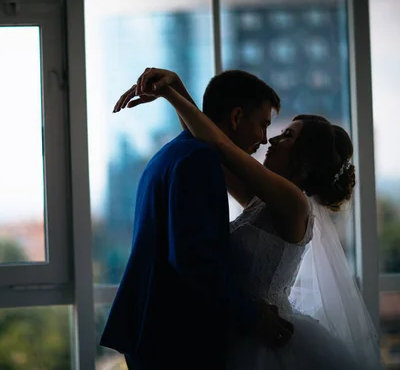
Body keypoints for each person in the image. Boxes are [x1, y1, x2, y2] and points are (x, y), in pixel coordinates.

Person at [113, 68, 384, 369]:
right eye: (269, 127)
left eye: (286, 136)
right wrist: (175, 89)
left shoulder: (295, 203)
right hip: (242, 326)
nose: (271, 140)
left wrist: (173, 94)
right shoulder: (261, 200)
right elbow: (212, 138)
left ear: (305, 160)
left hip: (262, 335)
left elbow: (221, 145)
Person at [100, 68, 294, 369]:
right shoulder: (199, 160)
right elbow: (194, 259)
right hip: (177, 338)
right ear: (236, 117)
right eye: (263, 124)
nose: (265, 138)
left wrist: (175, 88)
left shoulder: (177, 152)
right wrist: (252, 316)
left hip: (156, 330)